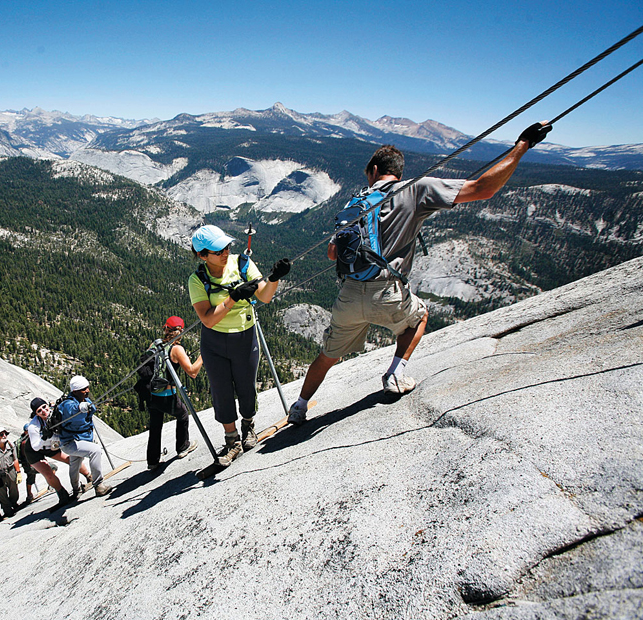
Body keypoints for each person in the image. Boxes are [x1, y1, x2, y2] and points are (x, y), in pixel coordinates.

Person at [287, 122, 553, 425]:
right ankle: (395, 373)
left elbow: (333, 253)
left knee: (328, 356)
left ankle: (300, 406)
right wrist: (522, 145)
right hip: (388, 291)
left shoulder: (355, 203)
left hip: (348, 294)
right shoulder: (416, 188)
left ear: (373, 170)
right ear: (397, 171)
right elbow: (484, 189)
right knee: (419, 316)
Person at [188, 225, 290, 465]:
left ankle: (248, 425)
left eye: (226, 247)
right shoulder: (197, 280)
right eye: (218, 250)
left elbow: (264, 296)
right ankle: (232, 439)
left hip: (245, 335)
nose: (225, 252)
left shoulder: (242, 264)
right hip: (214, 341)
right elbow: (208, 319)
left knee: (246, 386)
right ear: (203, 255)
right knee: (221, 391)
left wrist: (273, 278)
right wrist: (233, 297)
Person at [145, 316, 203, 470]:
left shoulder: (155, 344)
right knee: (182, 414)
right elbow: (192, 372)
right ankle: (183, 447)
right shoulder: (176, 349)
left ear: (165, 328)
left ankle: (152, 461)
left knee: (155, 426)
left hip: (151, 395)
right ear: (181, 331)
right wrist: (203, 355)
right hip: (167, 396)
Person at [22, 397, 94, 509]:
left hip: (51, 446)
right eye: (39, 411)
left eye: (44, 407)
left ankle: (89, 476)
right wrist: (44, 437)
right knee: (48, 473)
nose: (44, 411)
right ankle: (62, 494)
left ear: (47, 405)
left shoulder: (55, 413)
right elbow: (35, 446)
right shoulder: (33, 426)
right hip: (33, 450)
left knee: (70, 459)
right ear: (36, 414)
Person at [58, 375, 112, 498]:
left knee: (75, 464)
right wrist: (81, 408)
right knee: (95, 451)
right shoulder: (67, 404)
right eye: (84, 389)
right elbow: (72, 411)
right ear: (75, 391)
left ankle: (76, 489)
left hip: (79, 440)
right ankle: (99, 485)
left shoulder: (85, 400)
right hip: (70, 442)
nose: (87, 391)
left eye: (87, 387)